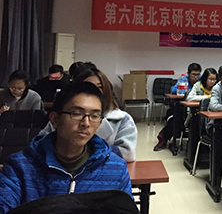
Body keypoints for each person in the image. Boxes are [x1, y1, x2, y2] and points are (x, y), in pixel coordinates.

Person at [0, 82, 132, 213]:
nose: (86, 123)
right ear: (55, 119)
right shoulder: (20, 166)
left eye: (94, 116)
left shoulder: (116, 169)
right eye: (77, 113)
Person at [40, 68, 138, 162]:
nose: (94, 91)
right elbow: (41, 143)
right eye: (77, 113)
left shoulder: (122, 119)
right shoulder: (63, 117)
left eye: (99, 87)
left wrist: (88, 151)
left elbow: (128, 153)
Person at [153, 68, 218, 151]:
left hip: (211, 113)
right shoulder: (194, 83)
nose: (212, 81)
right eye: (210, 79)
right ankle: (164, 138)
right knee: (177, 118)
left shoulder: (217, 87)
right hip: (192, 110)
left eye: (214, 79)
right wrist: (207, 97)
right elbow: (186, 96)